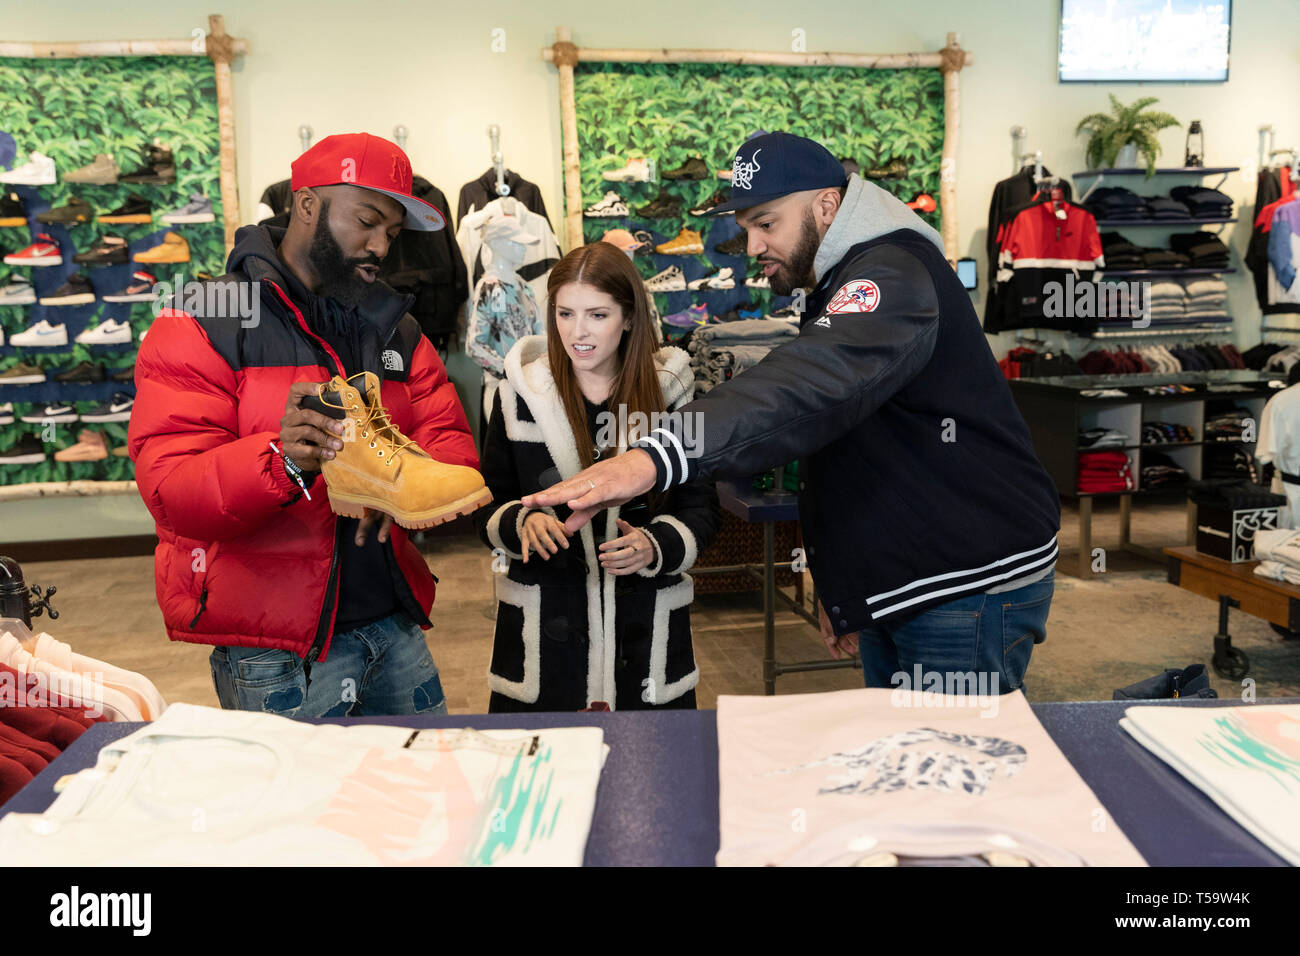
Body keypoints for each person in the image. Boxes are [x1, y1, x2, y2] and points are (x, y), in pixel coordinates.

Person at [524, 131, 1060, 695]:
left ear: (826, 205)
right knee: (911, 764)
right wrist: (845, 588)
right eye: (746, 227)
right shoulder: (850, 275)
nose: (752, 245)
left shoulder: (891, 273)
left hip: (965, 581)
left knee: (954, 768)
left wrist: (654, 457)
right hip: (912, 574)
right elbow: (839, 438)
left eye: (766, 223)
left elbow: (806, 384)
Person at [130, 133, 478, 716]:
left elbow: (452, 454)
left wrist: (403, 490)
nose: (379, 246)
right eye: (366, 221)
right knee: (299, 809)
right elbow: (171, 491)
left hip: (393, 625)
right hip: (277, 648)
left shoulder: (398, 328)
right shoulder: (205, 318)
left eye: (392, 233)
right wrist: (283, 460)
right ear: (308, 204)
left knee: (426, 795)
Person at [476, 240, 720, 711]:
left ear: (628, 317)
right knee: (543, 776)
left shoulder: (670, 395)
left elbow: (701, 506)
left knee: (651, 775)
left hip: (645, 639)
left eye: (597, 315)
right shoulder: (517, 397)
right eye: (565, 314)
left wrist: (656, 544)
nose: (577, 332)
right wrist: (520, 524)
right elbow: (487, 501)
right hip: (544, 644)